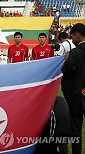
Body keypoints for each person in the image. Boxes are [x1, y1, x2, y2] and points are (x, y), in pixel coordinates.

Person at [61, 23, 85, 154]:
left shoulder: (75, 53)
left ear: (77, 35)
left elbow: (66, 71)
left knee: (76, 130)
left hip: (76, 98)